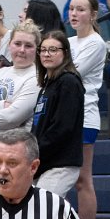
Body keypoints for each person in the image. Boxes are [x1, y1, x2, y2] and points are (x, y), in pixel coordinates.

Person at [68, 0, 107, 219]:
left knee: (82, 180)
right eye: (72, 9)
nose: (74, 14)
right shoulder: (68, 42)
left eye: (80, 9)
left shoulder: (96, 43)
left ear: (93, 15)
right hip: (63, 115)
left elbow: (72, 73)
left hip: (85, 115)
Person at [31, 31, 84, 198]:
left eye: (53, 50)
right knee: (39, 210)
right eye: (43, 50)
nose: (46, 54)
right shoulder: (47, 85)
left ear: (65, 53)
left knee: (41, 210)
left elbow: (62, 128)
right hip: (43, 162)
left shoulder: (69, 82)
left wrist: (34, 152)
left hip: (60, 163)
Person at [0, 20, 40, 131]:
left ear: (37, 50)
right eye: (17, 44)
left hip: (16, 141)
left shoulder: (37, 78)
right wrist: (2, 105)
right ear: (9, 45)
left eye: (28, 46)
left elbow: (10, 119)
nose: (22, 50)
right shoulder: (0, 72)